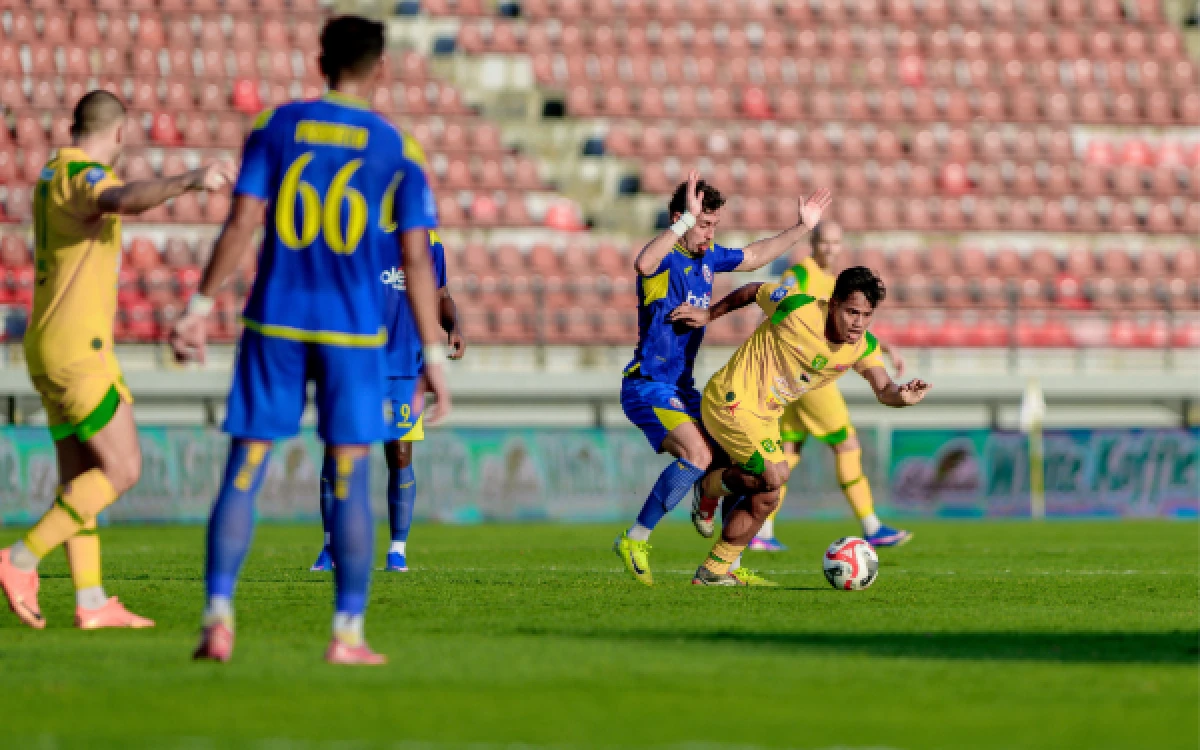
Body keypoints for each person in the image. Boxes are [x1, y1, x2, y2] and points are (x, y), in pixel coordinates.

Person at [169, 15, 450, 665]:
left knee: (245, 466)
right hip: (353, 331)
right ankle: (346, 633)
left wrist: (198, 306)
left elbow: (242, 222)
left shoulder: (275, 126)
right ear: (381, 68)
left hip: (274, 319)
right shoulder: (397, 148)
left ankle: (217, 615)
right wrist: (432, 356)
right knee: (351, 472)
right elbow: (416, 258)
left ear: (321, 59)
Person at [0, 90, 235, 630]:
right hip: (80, 350)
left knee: (79, 480)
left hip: (48, 345)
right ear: (120, 133)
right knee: (124, 467)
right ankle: (20, 559)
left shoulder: (49, 172)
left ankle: (90, 601)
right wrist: (190, 179)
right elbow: (120, 197)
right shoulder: (83, 175)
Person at [612, 169, 832, 586]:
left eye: (715, 224)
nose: (711, 233)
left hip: (683, 389)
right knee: (696, 455)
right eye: (704, 223)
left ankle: (720, 562)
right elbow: (643, 262)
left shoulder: (708, 260)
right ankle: (635, 538)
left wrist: (802, 227)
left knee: (749, 465)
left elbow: (753, 256)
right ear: (682, 217)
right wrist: (680, 223)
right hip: (648, 385)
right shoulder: (667, 260)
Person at [671, 267, 931, 586]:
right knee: (775, 474)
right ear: (833, 304)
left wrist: (902, 397)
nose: (858, 323)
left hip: (765, 418)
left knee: (769, 496)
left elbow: (884, 389)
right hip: (730, 398)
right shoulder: (798, 308)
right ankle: (708, 487)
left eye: (866, 315)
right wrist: (709, 314)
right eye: (852, 312)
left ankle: (714, 570)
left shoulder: (862, 346)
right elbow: (753, 290)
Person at [693, 221, 913, 550]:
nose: (830, 249)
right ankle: (871, 524)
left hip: (792, 390)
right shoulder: (803, 276)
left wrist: (894, 378)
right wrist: (721, 320)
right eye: (825, 242)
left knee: (787, 455)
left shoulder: (840, 289)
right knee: (845, 445)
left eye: (836, 243)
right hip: (796, 382)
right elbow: (764, 297)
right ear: (814, 243)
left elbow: (871, 362)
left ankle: (759, 534)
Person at [311, 136, 465, 573]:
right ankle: (330, 545)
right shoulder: (353, 233)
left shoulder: (426, 241)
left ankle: (397, 548)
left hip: (404, 365)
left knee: (398, 454)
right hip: (355, 362)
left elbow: (439, 293)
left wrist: (454, 325)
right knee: (338, 453)